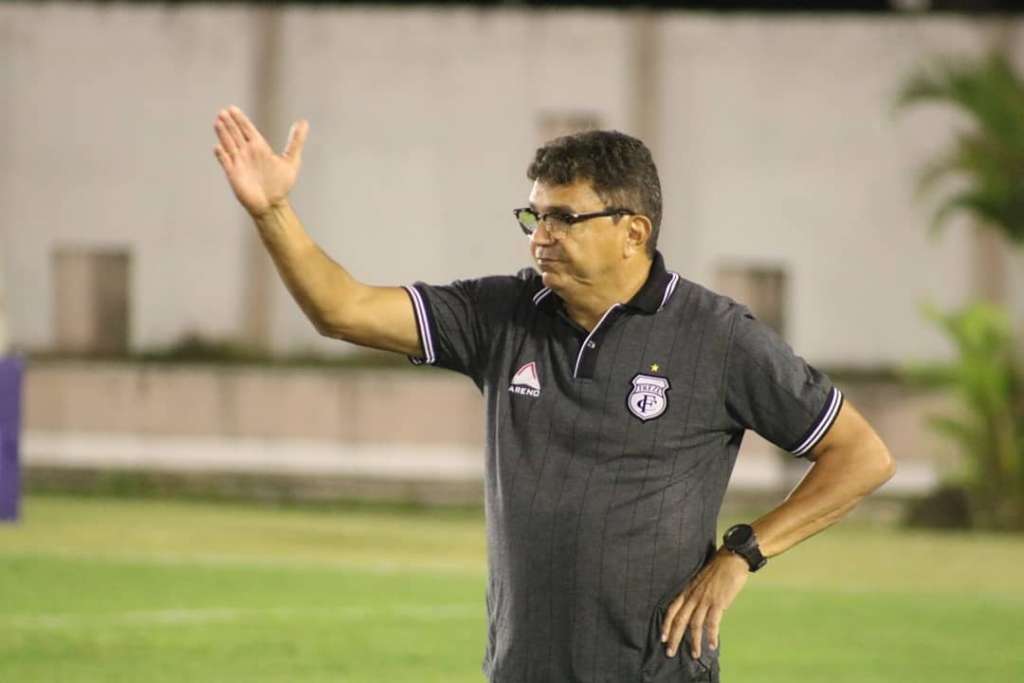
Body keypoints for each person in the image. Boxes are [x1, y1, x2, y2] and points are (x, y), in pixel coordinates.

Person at [212, 106, 896, 683]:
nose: (541, 236)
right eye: (533, 216)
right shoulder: (501, 313)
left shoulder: (717, 337)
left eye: (564, 218)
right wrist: (273, 209)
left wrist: (741, 554)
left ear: (634, 231)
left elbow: (860, 456)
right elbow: (343, 308)